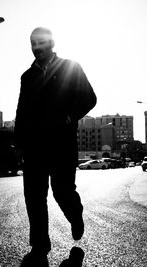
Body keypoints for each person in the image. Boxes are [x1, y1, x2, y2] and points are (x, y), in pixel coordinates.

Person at [15, 27, 96, 265]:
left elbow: (90, 98)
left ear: (51, 42)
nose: (36, 47)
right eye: (33, 43)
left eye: (40, 42)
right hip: (33, 146)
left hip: (62, 144)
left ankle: (75, 214)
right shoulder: (27, 77)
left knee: (62, 191)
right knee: (34, 196)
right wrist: (19, 143)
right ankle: (40, 244)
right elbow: (21, 112)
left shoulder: (71, 67)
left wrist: (71, 116)